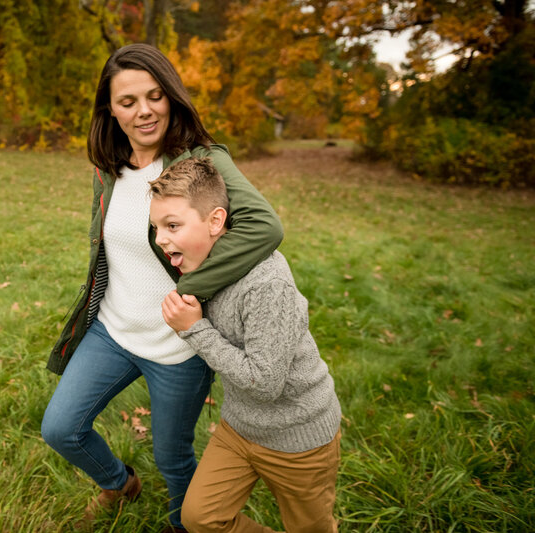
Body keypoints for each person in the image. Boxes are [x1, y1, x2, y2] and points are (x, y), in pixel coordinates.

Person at [40, 44, 284, 532]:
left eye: (155, 96)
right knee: (61, 428)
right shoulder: (111, 167)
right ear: (110, 109)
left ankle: (186, 525)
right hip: (112, 330)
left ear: (171, 97)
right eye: (128, 101)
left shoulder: (201, 161)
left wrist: (193, 287)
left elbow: (264, 226)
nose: (144, 110)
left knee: (174, 460)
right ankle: (119, 483)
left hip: (178, 346)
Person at [150, 157, 342, 533]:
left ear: (216, 221)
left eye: (172, 225)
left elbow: (265, 384)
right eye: (156, 226)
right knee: (200, 519)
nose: (160, 238)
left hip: (298, 438)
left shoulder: (266, 284)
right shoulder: (204, 269)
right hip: (239, 429)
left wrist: (195, 330)